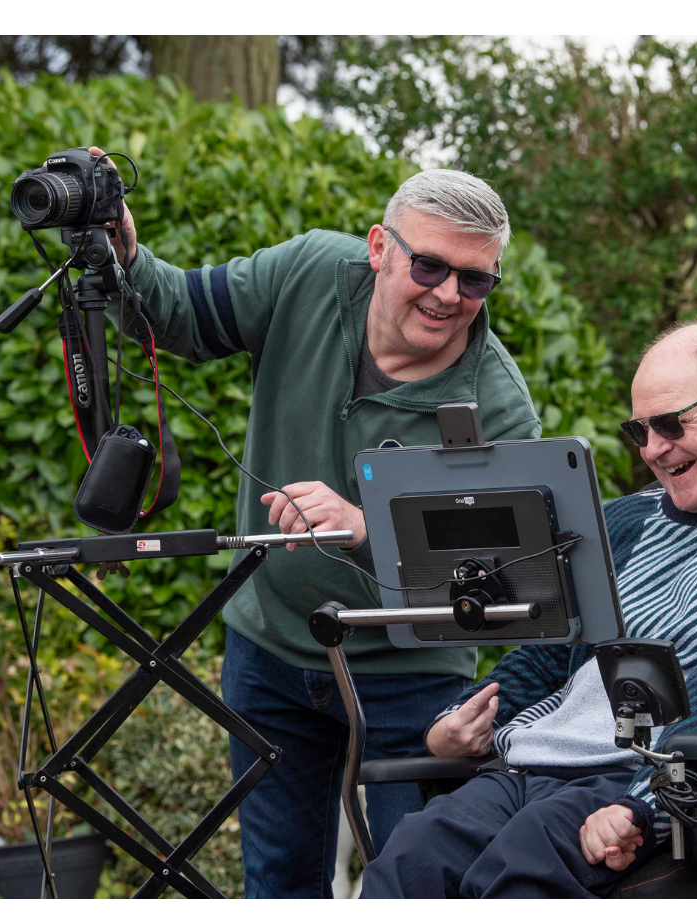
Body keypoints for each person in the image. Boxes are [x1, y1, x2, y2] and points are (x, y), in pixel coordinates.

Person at [83, 147, 542, 897]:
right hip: (270, 651)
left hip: (413, 681)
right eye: (428, 266)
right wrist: (123, 251)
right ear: (377, 247)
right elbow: (180, 315)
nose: (449, 293)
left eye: (475, 278)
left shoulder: (498, 404)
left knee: (417, 881)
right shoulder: (306, 272)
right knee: (279, 881)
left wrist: (366, 525)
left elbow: (509, 578)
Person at [361, 320, 697, 898]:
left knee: (510, 880)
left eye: (671, 423)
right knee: (408, 863)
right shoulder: (627, 521)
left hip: (638, 781)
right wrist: (464, 718)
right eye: (638, 430)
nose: (652, 449)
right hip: (533, 766)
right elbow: (550, 659)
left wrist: (638, 806)